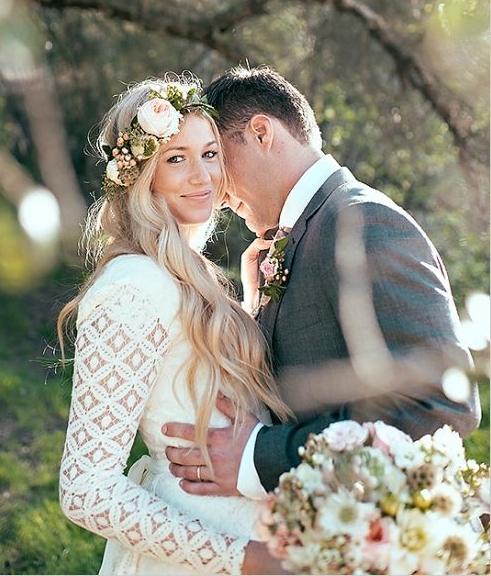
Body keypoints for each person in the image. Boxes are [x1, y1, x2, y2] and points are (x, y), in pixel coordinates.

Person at [163, 65, 481, 501]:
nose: (213, 187)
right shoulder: (307, 231)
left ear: (261, 133)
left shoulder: (363, 222)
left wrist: (261, 456)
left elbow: (437, 406)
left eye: (216, 154)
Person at [58, 74, 289, 576]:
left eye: (209, 154)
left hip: (249, 526)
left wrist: (250, 304)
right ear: (144, 174)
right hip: (194, 549)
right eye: (176, 158)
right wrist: (244, 559)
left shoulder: (191, 273)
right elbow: (86, 489)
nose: (201, 176)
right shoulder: (134, 285)